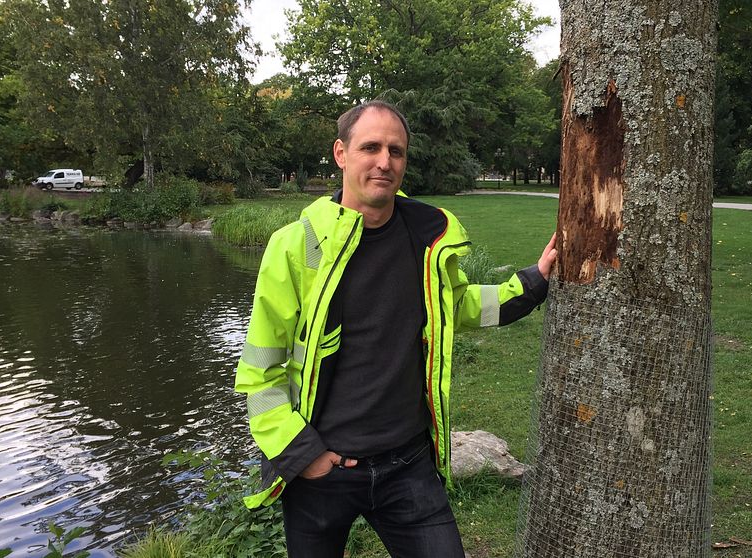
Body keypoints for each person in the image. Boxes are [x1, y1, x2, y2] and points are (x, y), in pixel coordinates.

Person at [234, 100, 557, 558]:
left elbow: (458, 305)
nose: (385, 162)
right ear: (341, 153)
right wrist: (304, 458)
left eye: (396, 151)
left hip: (407, 467)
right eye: (371, 147)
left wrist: (532, 282)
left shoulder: (425, 239)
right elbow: (261, 372)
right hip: (322, 471)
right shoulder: (297, 246)